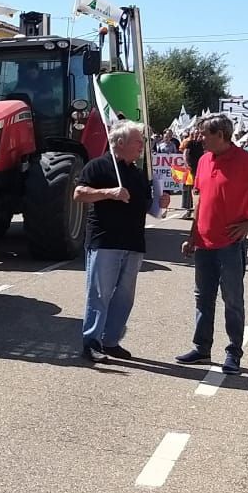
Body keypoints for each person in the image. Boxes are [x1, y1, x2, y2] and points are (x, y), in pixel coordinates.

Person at [177, 113, 248, 375]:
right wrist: (192, 236)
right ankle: (202, 349)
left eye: (205, 134)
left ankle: (233, 352)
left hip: (230, 244)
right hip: (204, 243)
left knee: (232, 299)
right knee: (203, 298)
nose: (199, 138)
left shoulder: (245, 161)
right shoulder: (203, 160)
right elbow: (201, 199)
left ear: (221, 136)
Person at [74, 120, 171, 363]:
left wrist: (160, 204)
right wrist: (108, 193)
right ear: (120, 143)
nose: (142, 146)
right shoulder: (98, 166)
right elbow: (78, 194)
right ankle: (91, 341)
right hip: (105, 241)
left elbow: (147, 206)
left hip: (134, 242)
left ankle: (111, 341)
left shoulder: (138, 174)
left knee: (124, 296)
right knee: (99, 294)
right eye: (138, 142)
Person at [179, 124, 205, 217]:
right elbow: (185, 154)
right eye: (195, 133)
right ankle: (187, 210)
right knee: (187, 189)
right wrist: (187, 164)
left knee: (200, 189)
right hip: (190, 169)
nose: (197, 135)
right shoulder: (190, 143)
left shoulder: (204, 144)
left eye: (199, 134)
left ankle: (200, 210)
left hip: (201, 170)